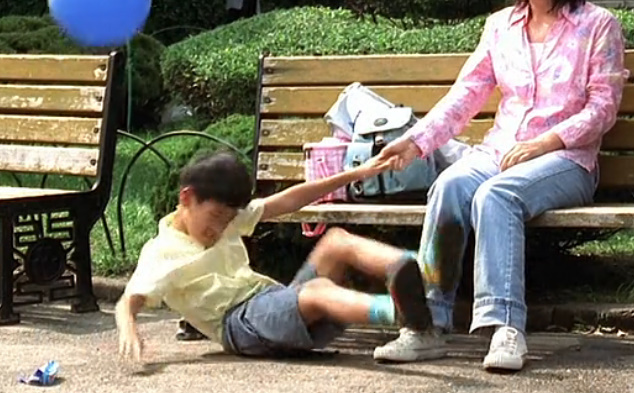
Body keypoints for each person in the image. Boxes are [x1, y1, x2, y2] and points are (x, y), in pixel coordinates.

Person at [371, 0, 629, 374]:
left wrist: (545, 142)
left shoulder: (597, 26)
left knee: (496, 195)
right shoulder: (499, 27)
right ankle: (426, 325)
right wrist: (416, 142)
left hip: (567, 161)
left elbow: (602, 109)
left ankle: (505, 327)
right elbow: (466, 94)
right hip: (499, 150)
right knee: (450, 185)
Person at [116, 151, 433, 361]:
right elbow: (130, 299)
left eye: (228, 219)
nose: (220, 227)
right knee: (316, 292)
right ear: (187, 198)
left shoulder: (226, 217)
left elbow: (288, 201)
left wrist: (356, 174)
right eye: (215, 216)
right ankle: (402, 311)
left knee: (336, 242)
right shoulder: (161, 252)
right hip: (239, 325)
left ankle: (421, 271)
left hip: (271, 302)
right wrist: (129, 328)